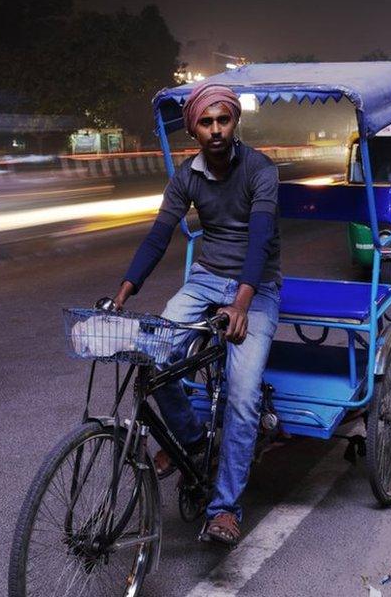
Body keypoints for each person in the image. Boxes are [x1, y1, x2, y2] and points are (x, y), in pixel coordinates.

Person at [109, 83, 281, 546]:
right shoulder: (186, 176)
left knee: (243, 398)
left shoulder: (261, 170)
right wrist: (125, 292)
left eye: (223, 120)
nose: (216, 130)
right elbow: (159, 235)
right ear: (195, 131)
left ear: (234, 122)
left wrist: (242, 304)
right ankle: (192, 441)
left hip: (257, 287)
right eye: (206, 123)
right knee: (154, 354)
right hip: (206, 278)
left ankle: (224, 508)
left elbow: (261, 241)